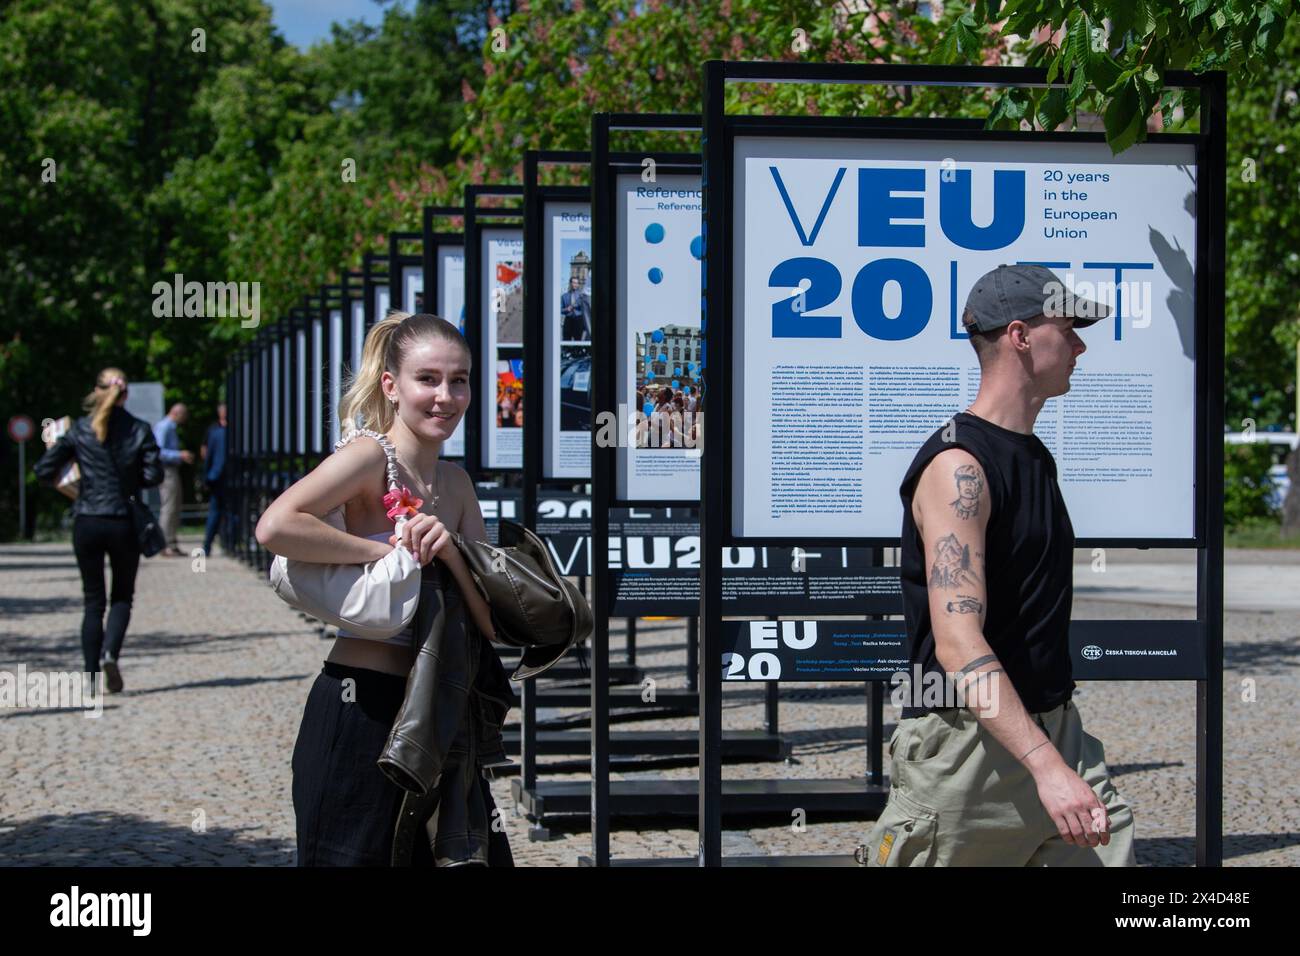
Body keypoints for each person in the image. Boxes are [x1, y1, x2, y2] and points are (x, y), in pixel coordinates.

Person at [863, 264, 1135, 867]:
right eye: (1068, 328)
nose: (1080, 344)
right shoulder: (957, 465)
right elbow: (957, 642)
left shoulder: (1033, 455)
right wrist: (1046, 767)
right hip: (965, 749)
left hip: (1052, 728)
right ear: (1019, 335)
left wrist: (1058, 754)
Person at [255, 311, 514, 867]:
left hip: (441, 711)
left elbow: (493, 621)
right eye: (429, 379)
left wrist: (447, 551)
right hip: (360, 709)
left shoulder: (457, 483)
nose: (446, 395)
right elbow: (276, 526)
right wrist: (386, 554)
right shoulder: (369, 457)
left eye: (460, 379)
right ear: (392, 387)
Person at [34, 368, 162, 695]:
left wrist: (77, 482)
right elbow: (153, 475)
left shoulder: (79, 430)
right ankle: (110, 653)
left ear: (96, 391)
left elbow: (44, 470)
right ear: (126, 394)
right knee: (122, 596)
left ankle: (90, 677)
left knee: (93, 601)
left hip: (87, 520)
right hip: (123, 522)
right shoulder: (139, 429)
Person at [152, 403, 193, 556]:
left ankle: (171, 542)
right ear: (176, 413)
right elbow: (159, 451)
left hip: (171, 470)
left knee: (174, 507)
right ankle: (164, 545)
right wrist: (179, 455)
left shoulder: (170, 427)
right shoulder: (165, 427)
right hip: (166, 470)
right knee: (168, 508)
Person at [200, 403, 229, 556]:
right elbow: (206, 452)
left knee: (217, 512)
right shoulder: (217, 431)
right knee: (221, 512)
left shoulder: (214, 431)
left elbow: (207, 453)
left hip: (217, 476)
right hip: (222, 477)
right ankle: (216, 544)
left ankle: (209, 546)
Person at [559, 275, 591, 341]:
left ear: (578, 284)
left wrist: (577, 305)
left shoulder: (582, 296)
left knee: (578, 340)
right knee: (566, 339)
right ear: (570, 283)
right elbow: (560, 310)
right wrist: (566, 309)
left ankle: (577, 351)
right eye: (573, 282)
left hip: (579, 320)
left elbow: (586, 308)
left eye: (576, 283)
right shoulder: (564, 296)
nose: (575, 285)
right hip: (568, 320)